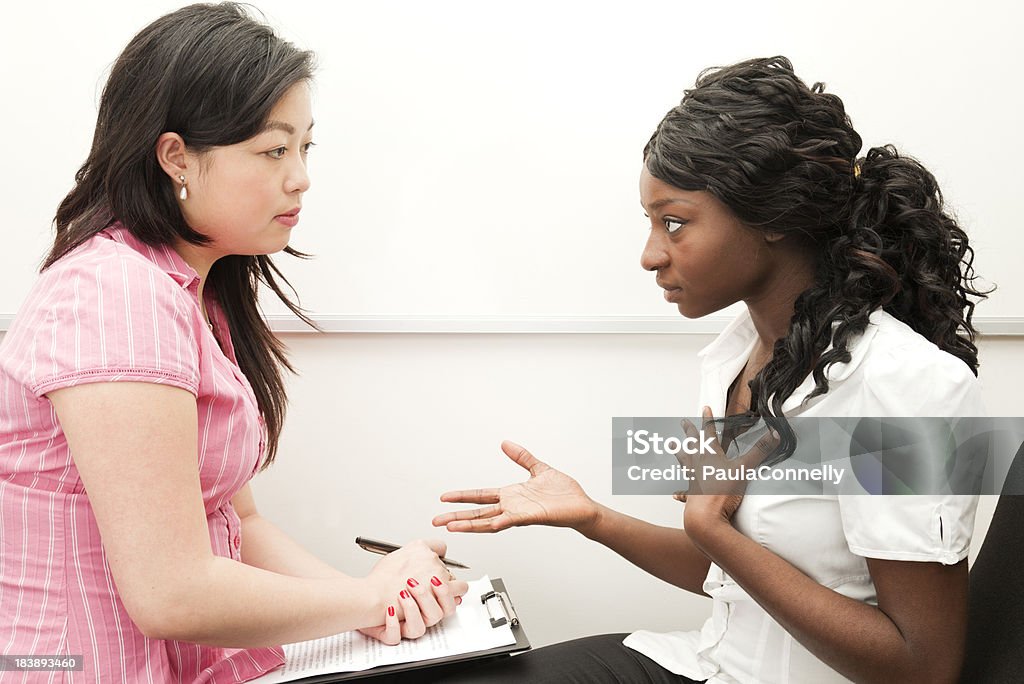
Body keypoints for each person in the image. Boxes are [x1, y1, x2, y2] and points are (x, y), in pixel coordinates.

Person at [427, 56, 988, 683]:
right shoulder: (736, 355)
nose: (648, 255)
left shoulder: (901, 387)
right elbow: (736, 583)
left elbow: (924, 668)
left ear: (771, 218)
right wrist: (593, 517)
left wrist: (712, 529)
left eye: (674, 222)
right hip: (708, 663)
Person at [0, 4, 465, 683]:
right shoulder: (113, 296)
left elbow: (238, 520)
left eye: (305, 148)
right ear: (176, 157)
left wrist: (372, 605)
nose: (300, 176)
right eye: (274, 150)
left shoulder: (193, 288)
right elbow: (171, 593)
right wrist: (370, 594)